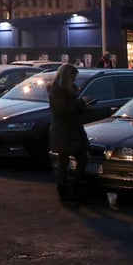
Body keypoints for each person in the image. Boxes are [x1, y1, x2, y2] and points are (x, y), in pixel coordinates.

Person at [48, 63, 93, 205]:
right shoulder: (57, 90)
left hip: (73, 129)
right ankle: (66, 190)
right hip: (64, 130)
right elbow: (63, 109)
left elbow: (70, 109)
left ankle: (75, 188)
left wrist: (84, 107)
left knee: (80, 159)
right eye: (73, 76)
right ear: (67, 76)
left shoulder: (70, 89)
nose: (75, 79)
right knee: (65, 160)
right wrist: (80, 104)